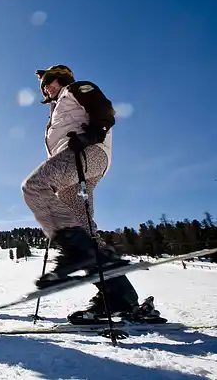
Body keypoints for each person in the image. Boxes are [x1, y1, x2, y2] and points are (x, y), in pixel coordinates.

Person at [22, 64, 163, 324]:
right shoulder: (55, 110)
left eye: (50, 81)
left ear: (62, 78)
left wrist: (93, 134)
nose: (47, 88)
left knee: (33, 188)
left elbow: (103, 108)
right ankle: (120, 297)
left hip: (86, 154)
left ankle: (76, 252)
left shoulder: (76, 89)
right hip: (73, 166)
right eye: (43, 87)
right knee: (84, 234)